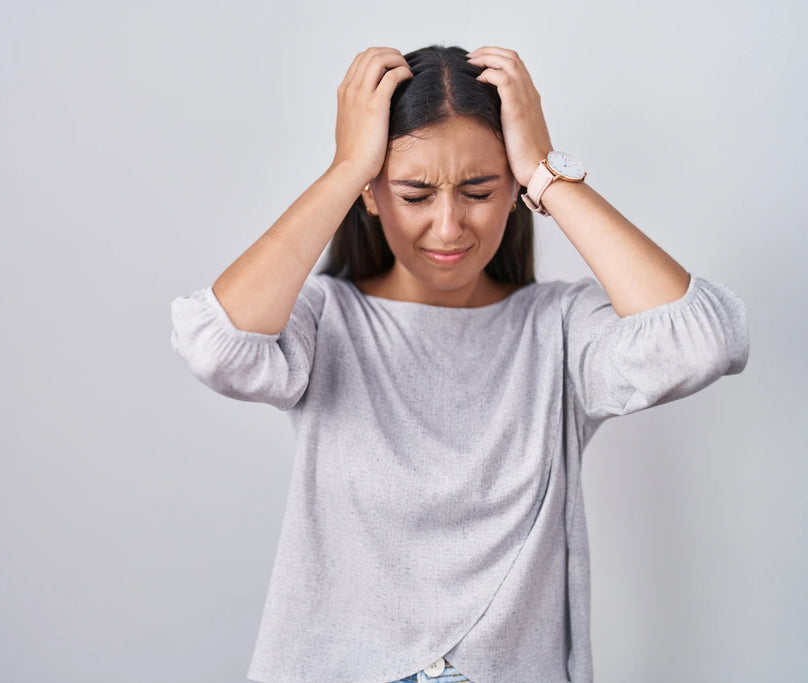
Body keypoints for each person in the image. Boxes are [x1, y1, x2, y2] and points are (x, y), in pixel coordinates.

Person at [169, 44, 750, 683]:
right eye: (414, 193)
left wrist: (547, 170)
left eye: (480, 189)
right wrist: (346, 168)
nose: (448, 228)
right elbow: (215, 344)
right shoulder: (324, 320)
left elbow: (703, 341)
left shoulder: (558, 330)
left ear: (516, 192)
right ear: (372, 194)